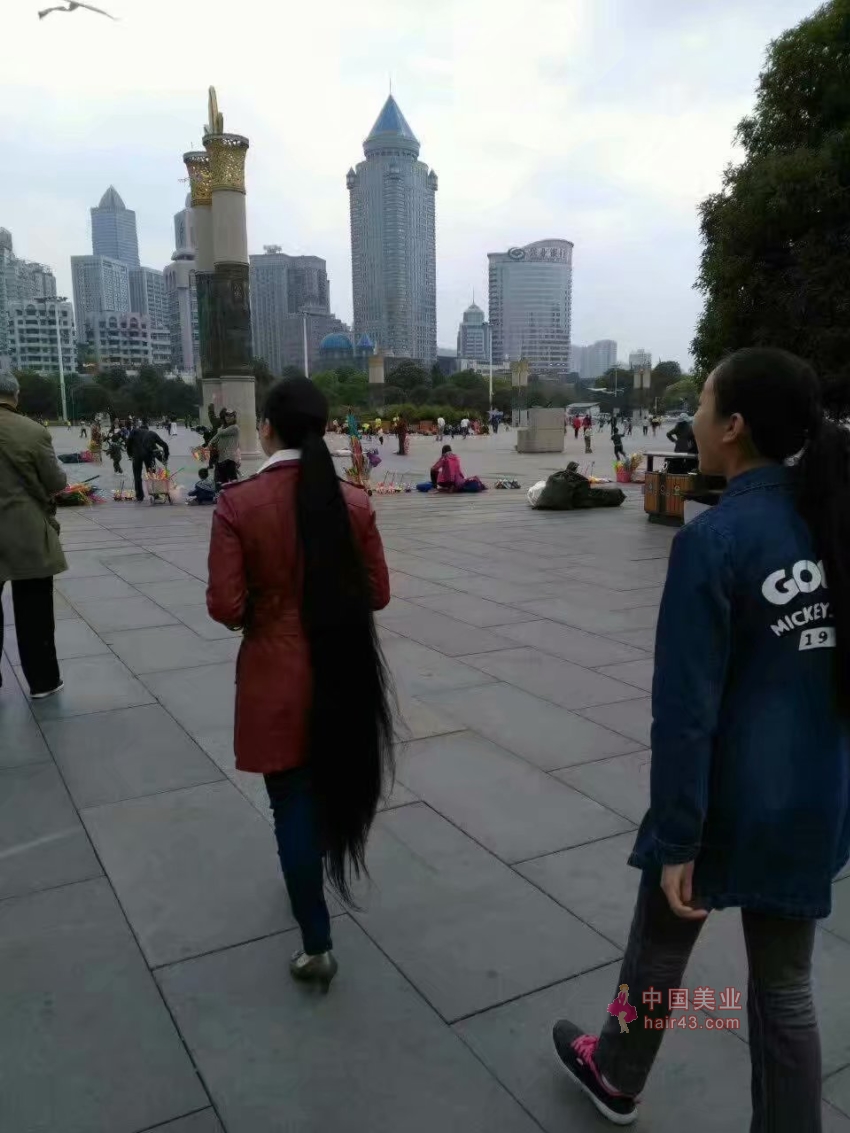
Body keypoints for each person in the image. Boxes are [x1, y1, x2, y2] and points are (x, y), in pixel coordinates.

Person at [552, 347, 850, 1131]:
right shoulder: (832, 523)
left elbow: (686, 708)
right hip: (813, 794)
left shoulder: (715, 539)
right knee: (786, 989)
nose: (694, 414)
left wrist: (680, 834)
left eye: (705, 399)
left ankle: (617, 1072)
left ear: (733, 426)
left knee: (661, 941)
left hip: (725, 796)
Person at [206, 377, 392, 991]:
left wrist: (261, 615)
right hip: (343, 669)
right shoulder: (354, 502)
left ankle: (317, 945)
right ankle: (312, 871)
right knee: (328, 788)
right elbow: (377, 593)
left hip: (274, 672)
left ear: (266, 429)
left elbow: (225, 604)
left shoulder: (238, 504)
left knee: (289, 801)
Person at [0, 374, 67, 699]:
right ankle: (43, 682)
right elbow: (55, 482)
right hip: (25, 530)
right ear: (15, 395)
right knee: (34, 612)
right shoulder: (32, 431)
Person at [127, 419, 170, 502]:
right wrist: (164, 458)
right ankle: (155, 494)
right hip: (148, 456)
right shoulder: (151, 434)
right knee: (152, 475)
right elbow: (163, 445)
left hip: (136, 456)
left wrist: (130, 454)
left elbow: (128, 442)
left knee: (137, 476)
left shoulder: (134, 431)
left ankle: (139, 496)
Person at [210, 410, 240, 487]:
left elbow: (220, 432)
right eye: (227, 416)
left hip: (229, 458)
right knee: (219, 481)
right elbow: (217, 437)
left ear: (234, 417)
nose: (228, 417)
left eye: (231, 416)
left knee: (232, 482)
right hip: (220, 457)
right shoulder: (223, 427)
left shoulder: (234, 428)